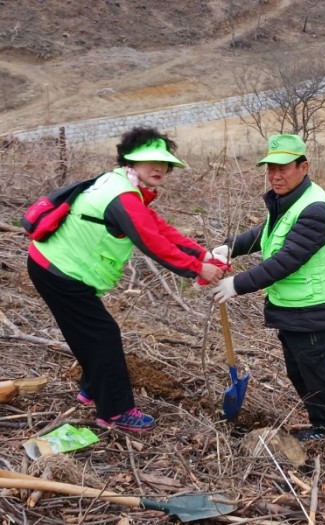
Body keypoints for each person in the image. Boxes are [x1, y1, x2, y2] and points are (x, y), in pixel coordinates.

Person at [27, 127, 225, 432]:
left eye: (164, 163)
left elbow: (159, 228)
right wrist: (197, 269)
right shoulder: (123, 196)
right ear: (131, 162)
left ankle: (92, 390)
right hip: (60, 272)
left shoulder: (123, 184)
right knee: (103, 335)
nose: (159, 168)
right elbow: (152, 242)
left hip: (56, 268)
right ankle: (116, 411)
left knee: (91, 333)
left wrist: (203, 256)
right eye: (150, 161)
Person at [211, 133, 325, 471]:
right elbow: (267, 232)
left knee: (321, 377)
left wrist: (237, 283)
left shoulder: (315, 209)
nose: (275, 176)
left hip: (314, 311)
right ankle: (321, 423)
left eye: (283, 168)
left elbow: (286, 260)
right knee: (299, 372)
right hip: (291, 309)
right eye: (270, 169)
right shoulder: (289, 201)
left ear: (303, 167)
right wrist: (230, 247)